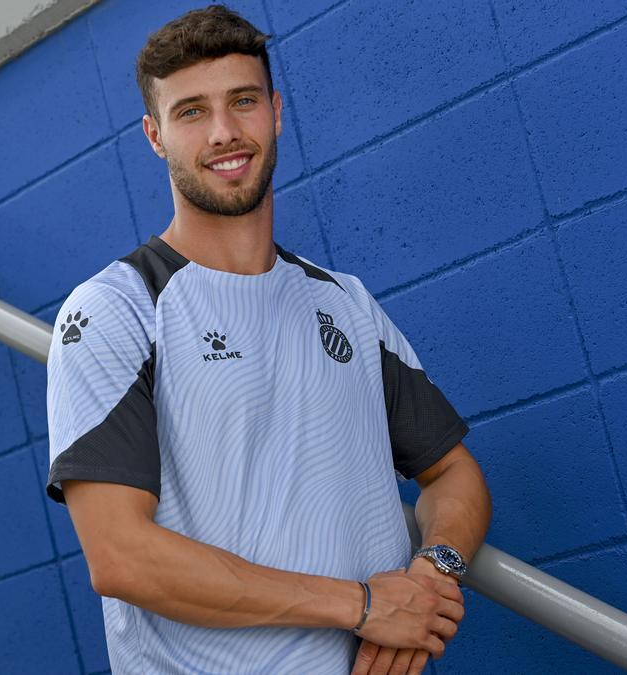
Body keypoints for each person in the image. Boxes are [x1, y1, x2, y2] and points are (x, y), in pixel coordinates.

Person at [44, 5, 492, 674]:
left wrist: (434, 572)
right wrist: (363, 604)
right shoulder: (118, 310)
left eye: (243, 101)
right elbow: (121, 557)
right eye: (191, 111)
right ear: (155, 136)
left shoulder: (344, 302)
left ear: (276, 111)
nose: (225, 132)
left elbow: (455, 473)